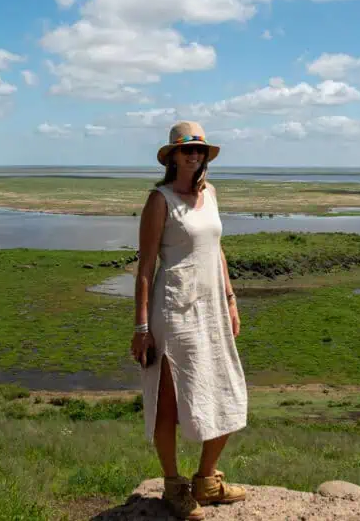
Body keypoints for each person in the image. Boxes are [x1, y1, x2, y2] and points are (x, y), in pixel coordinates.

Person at [131, 121, 249, 520]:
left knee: (225, 389)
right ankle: (172, 485)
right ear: (173, 157)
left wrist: (231, 299)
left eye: (199, 149)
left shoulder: (210, 193)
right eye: (187, 150)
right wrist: (141, 328)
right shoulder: (160, 200)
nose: (194, 155)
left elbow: (216, 250)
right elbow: (145, 268)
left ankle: (206, 480)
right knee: (169, 401)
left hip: (211, 308)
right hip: (173, 311)